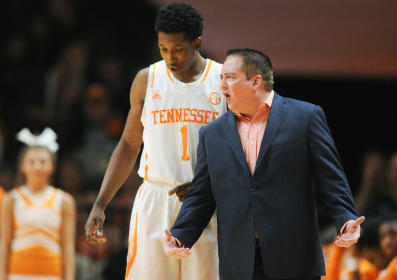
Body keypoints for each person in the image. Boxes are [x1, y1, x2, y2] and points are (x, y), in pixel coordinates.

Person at [163, 48, 364, 280]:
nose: (222, 86)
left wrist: (346, 219)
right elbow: (201, 194)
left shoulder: (306, 116)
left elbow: (331, 178)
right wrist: (180, 235)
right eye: (221, 78)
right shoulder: (212, 133)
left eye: (230, 77)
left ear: (255, 82)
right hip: (239, 261)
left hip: (294, 257)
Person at [84, 2, 226, 280]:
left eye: (178, 49)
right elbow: (128, 145)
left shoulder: (223, 79)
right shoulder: (146, 80)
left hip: (207, 202)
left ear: (196, 42)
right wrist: (101, 203)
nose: (170, 57)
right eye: (164, 49)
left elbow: (243, 148)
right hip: (156, 199)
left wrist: (206, 185)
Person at [0, 127, 76, 280]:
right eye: (32, 161)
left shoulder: (64, 200)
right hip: (17, 273)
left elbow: (68, 248)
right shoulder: (11, 199)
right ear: (22, 166)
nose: (37, 167)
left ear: (52, 167)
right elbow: (4, 244)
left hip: (52, 273)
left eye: (43, 161)